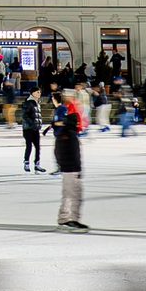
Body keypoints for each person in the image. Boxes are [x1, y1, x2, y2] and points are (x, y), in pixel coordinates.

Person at [55, 97, 87, 231]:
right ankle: (70, 219)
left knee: (70, 193)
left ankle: (65, 217)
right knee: (73, 194)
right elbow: (73, 154)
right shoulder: (69, 135)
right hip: (71, 169)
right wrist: (75, 168)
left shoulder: (66, 133)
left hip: (69, 168)